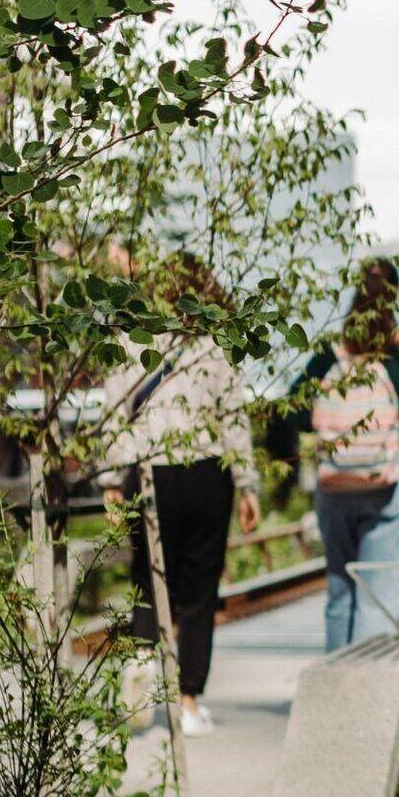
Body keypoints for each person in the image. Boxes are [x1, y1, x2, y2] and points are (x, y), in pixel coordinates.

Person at [94, 291, 261, 735]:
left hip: (149, 472)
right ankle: (187, 704)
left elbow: (113, 413)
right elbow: (233, 419)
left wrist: (110, 480)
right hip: (207, 472)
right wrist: (247, 484)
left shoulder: (129, 340)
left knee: (147, 577)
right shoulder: (216, 344)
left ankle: (141, 682)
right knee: (199, 590)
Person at [308, 301, 399, 650]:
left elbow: (291, 411)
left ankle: (335, 685)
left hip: (334, 485)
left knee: (340, 591)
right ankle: (366, 689)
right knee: (376, 590)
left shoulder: (327, 361)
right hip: (385, 485)